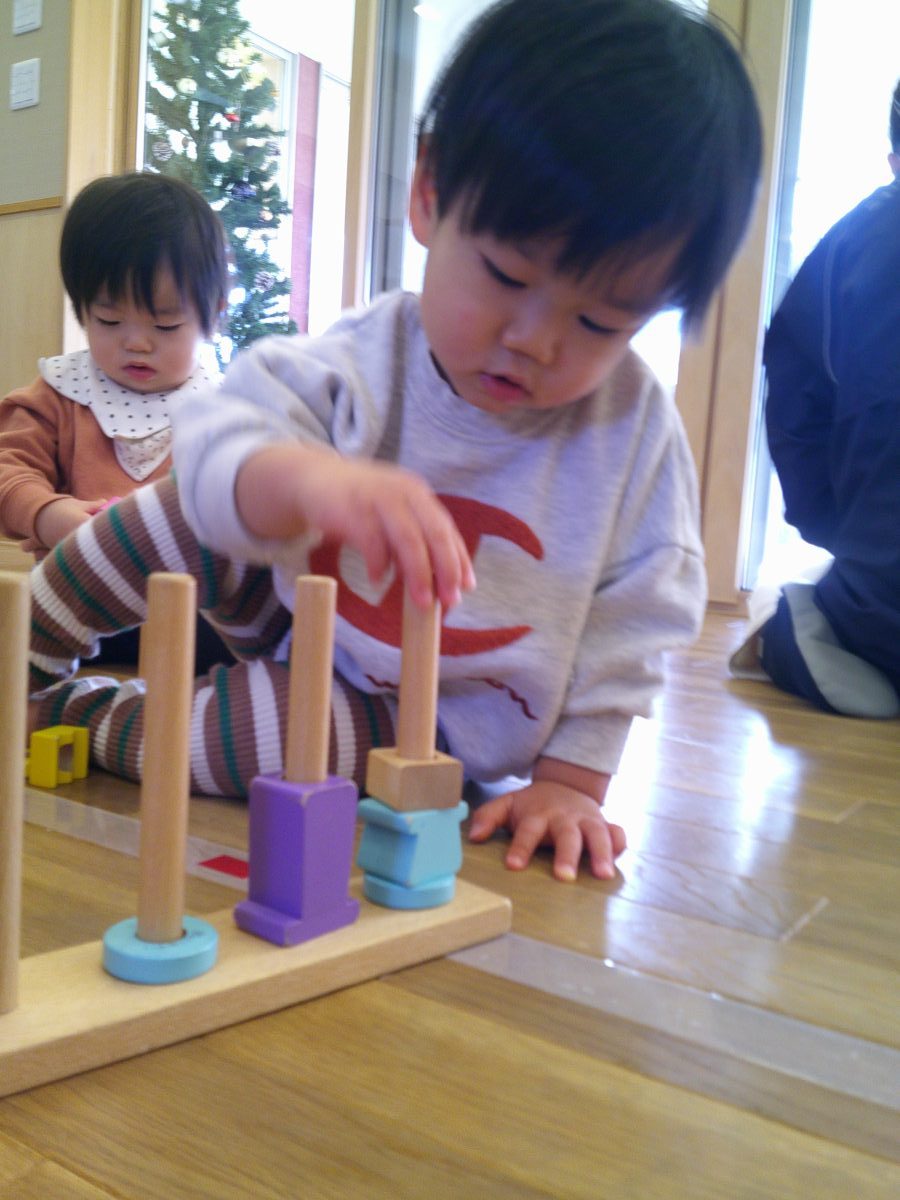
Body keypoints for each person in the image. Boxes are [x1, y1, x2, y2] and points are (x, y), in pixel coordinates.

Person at [27, 0, 762, 882]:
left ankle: (70, 715)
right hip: (298, 609)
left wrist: (572, 782)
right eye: (506, 276)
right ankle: (19, 648)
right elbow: (220, 430)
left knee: (263, 738)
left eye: (602, 321)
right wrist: (306, 483)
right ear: (428, 194)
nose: (533, 340)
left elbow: (637, 621)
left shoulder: (632, 433)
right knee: (181, 508)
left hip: (426, 719)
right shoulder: (366, 358)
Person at [0, 170, 232, 668]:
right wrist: (47, 514)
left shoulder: (225, 412)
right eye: (108, 320)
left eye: (166, 324)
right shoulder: (60, 393)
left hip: (187, 613)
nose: (136, 342)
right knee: (15, 624)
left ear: (213, 313)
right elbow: (7, 469)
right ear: (81, 308)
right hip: (74, 603)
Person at [730, 80, 900, 718]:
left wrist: (836, 530)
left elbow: (796, 411)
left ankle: (827, 616)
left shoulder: (855, 244)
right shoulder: (864, 249)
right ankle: (828, 618)